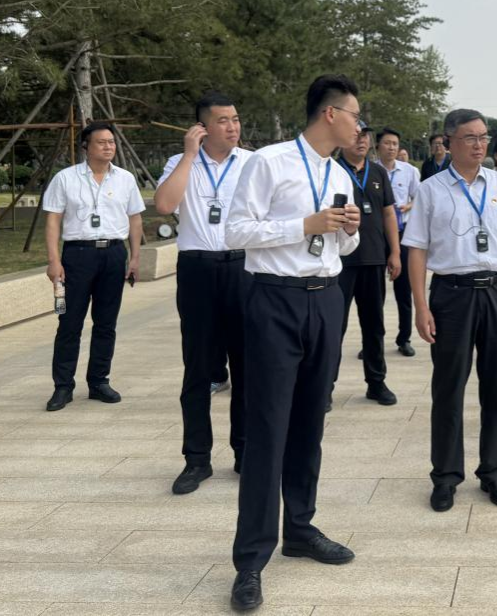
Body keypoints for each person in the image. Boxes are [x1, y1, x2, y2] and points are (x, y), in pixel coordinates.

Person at [223, 75, 364, 612]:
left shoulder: (340, 173)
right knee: (268, 429)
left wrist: (346, 228)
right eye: (355, 116)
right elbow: (236, 231)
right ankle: (250, 560)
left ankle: (300, 529)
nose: (359, 126)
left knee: (310, 421)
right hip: (275, 301)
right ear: (330, 114)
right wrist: (303, 223)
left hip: (326, 300)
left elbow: (343, 247)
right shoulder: (270, 162)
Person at [404, 108, 497, 513]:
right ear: (449, 142)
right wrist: (420, 306)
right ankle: (445, 476)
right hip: (452, 294)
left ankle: (493, 471)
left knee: (496, 385)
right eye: (470, 138)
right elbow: (417, 250)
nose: (480, 145)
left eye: (484, 137)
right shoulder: (430, 189)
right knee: (448, 388)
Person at [153, 92, 253, 494]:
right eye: (223, 120)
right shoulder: (180, 163)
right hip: (197, 269)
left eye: (235, 119)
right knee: (197, 368)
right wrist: (189, 155)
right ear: (202, 127)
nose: (232, 126)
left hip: (244, 268)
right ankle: (197, 459)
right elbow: (164, 205)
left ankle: (246, 451)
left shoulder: (252, 163)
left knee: (247, 366)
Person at [42, 121, 144, 412]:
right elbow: (53, 220)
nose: (108, 147)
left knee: (106, 323)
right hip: (78, 255)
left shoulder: (125, 179)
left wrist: (135, 257)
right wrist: (54, 261)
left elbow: (135, 218)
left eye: (111, 142)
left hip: (113, 254)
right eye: (102, 142)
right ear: (86, 146)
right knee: (69, 322)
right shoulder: (66, 178)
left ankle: (99, 381)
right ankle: (63, 386)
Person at [334, 125, 401, 407]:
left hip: (374, 258)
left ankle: (376, 382)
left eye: (365, 137)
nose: (361, 141)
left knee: (374, 325)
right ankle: (324, 386)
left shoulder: (378, 173)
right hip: (339, 262)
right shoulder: (332, 170)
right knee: (334, 327)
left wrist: (395, 251)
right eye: (356, 136)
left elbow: (388, 213)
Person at [377, 127, 420, 356]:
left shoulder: (409, 171)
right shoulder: (371, 170)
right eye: (387, 143)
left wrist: (408, 206)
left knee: (404, 289)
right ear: (378, 146)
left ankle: (404, 338)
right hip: (376, 236)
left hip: (402, 234)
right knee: (375, 293)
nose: (391, 148)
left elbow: (419, 197)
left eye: (395, 143)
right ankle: (373, 340)